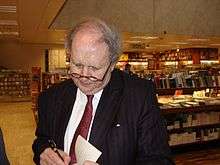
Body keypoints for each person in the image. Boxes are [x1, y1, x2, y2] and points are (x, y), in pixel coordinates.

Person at [32, 18, 173, 165]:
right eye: (77, 64)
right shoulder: (50, 97)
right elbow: (42, 140)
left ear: (112, 64)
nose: (84, 76)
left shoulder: (140, 96)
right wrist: (44, 151)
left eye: (94, 68)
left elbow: (159, 160)